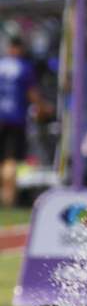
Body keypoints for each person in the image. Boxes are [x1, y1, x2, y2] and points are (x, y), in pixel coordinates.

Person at [0, 36, 41, 207]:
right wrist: (43, 107)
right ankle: (8, 200)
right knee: (10, 160)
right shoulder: (24, 67)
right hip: (15, 119)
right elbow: (31, 94)